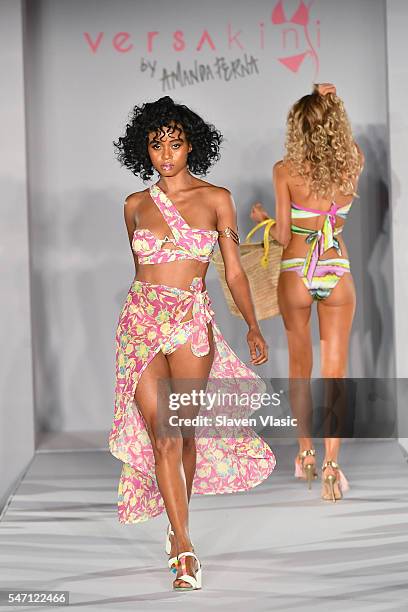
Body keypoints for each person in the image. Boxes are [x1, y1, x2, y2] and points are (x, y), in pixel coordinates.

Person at [109, 96, 275, 591]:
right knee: (163, 434)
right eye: (156, 144)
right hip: (139, 323)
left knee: (183, 434)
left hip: (189, 323)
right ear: (144, 149)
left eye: (175, 144)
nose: (165, 154)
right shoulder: (134, 206)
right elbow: (140, 271)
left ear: (191, 147)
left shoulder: (216, 199)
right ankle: (184, 547)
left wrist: (252, 325)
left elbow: (235, 270)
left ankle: (176, 520)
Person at [251, 83, 364, 502]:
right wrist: (332, 102)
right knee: (336, 372)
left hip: (297, 268)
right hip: (337, 270)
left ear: (297, 128)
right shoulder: (354, 163)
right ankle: (335, 466)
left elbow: (282, 235)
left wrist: (263, 216)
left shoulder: (285, 171)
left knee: (300, 366)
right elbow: (342, 141)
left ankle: (307, 455)